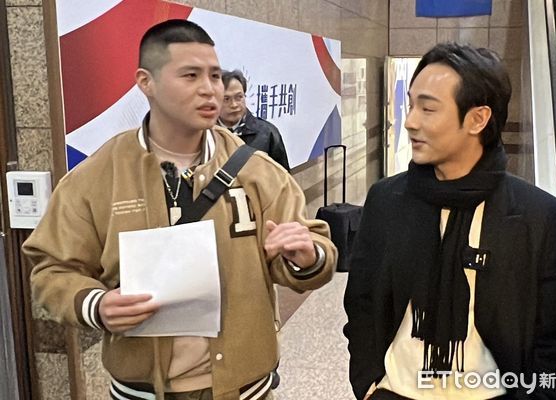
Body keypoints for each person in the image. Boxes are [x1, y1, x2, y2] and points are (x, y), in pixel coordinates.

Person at [23, 19, 336, 400]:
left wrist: (306, 256)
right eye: (190, 75)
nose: (210, 89)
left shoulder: (257, 171)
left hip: (243, 389)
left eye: (215, 76)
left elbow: (315, 254)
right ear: (146, 82)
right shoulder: (98, 176)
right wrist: (97, 304)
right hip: (141, 390)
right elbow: (52, 270)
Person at [343, 42, 556, 400]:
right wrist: (369, 384)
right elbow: (362, 303)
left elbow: (551, 337)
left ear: (478, 119)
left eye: (428, 109)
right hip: (395, 391)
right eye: (410, 105)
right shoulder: (386, 200)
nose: (410, 121)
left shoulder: (541, 217)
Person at [218, 69, 290, 171]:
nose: (234, 105)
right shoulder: (204, 134)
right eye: (226, 99)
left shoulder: (267, 133)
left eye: (239, 97)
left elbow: (283, 177)